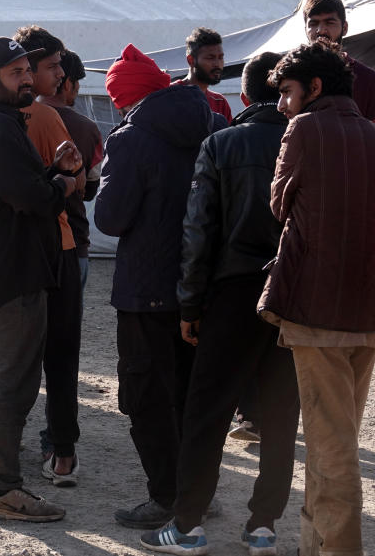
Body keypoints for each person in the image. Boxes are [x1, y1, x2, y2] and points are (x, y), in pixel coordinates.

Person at [139, 52, 299, 555]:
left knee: (207, 411)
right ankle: (263, 527)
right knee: (278, 413)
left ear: (244, 96)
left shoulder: (222, 143)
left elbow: (198, 233)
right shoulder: (306, 143)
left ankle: (187, 526)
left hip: (230, 292)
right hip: (290, 291)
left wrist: (189, 306)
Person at [0, 36, 80, 523]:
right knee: (8, 386)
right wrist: (66, 180)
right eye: (15, 73)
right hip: (10, 276)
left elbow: (13, 193)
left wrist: (51, 170)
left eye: (28, 70)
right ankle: (3, 489)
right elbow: (34, 201)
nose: (27, 78)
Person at [258, 42, 375, 556]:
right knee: (336, 438)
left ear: (316, 88)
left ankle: (338, 549)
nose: (283, 104)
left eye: (286, 92)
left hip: (318, 310)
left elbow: (279, 205)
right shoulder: (374, 134)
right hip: (367, 310)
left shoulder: (302, 129)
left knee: (332, 449)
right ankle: (313, 544)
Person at [94, 44, 212, 530]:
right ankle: (196, 492)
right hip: (198, 284)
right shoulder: (211, 123)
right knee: (191, 394)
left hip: (146, 289)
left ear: (124, 98)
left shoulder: (131, 137)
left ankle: (167, 497)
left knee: (146, 397)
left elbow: (110, 216)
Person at [12, 25, 85, 487]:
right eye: (53, 66)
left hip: (11, 252)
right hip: (53, 249)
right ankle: (61, 453)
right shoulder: (41, 116)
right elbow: (75, 182)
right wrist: (64, 177)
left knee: (9, 359)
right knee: (59, 356)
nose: (60, 74)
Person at [40, 49, 103, 290]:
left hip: (29, 240)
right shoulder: (87, 128)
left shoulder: (18, 119)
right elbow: (89, 190)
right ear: (67, 82)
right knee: (68, 323)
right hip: (73, 238)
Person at [302, 0, 375, 121]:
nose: (321, 30)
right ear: (305, 29)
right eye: (313, 24)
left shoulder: (367, 79)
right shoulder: (292, 76)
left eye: (329, 22)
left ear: (344, 28)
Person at [174, 28, 231, 125]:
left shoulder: (220, 102)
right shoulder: (170, 94)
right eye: (210, 58)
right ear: (191, 60)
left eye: (220, 57)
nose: (217, 64)